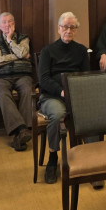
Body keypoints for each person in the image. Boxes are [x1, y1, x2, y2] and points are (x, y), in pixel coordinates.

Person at [38, 11, 90, 185]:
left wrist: (75, 92)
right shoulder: (47, 51)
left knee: (93, 113)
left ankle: (92, 160)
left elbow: (86, 76)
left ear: (76, 30)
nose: (69, 30)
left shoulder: (81, 51)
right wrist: (62, 91)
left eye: (72, 27)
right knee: (57, 115)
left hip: (76, 95)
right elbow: (43, 79)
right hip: (52, 96)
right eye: (65, 27)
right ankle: (53, 158)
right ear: (59, 28)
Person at [0, 11, 35, 151]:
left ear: (14, 24)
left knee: (27, 89)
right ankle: (21, 130)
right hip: (0, 77)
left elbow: (23, 52)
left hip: (22, 75)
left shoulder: (24, 38)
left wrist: (10, 40)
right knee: (3, 93)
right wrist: (17, 56)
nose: (7, 24)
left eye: (10, 21)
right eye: (4, 22)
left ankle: (21, 133)